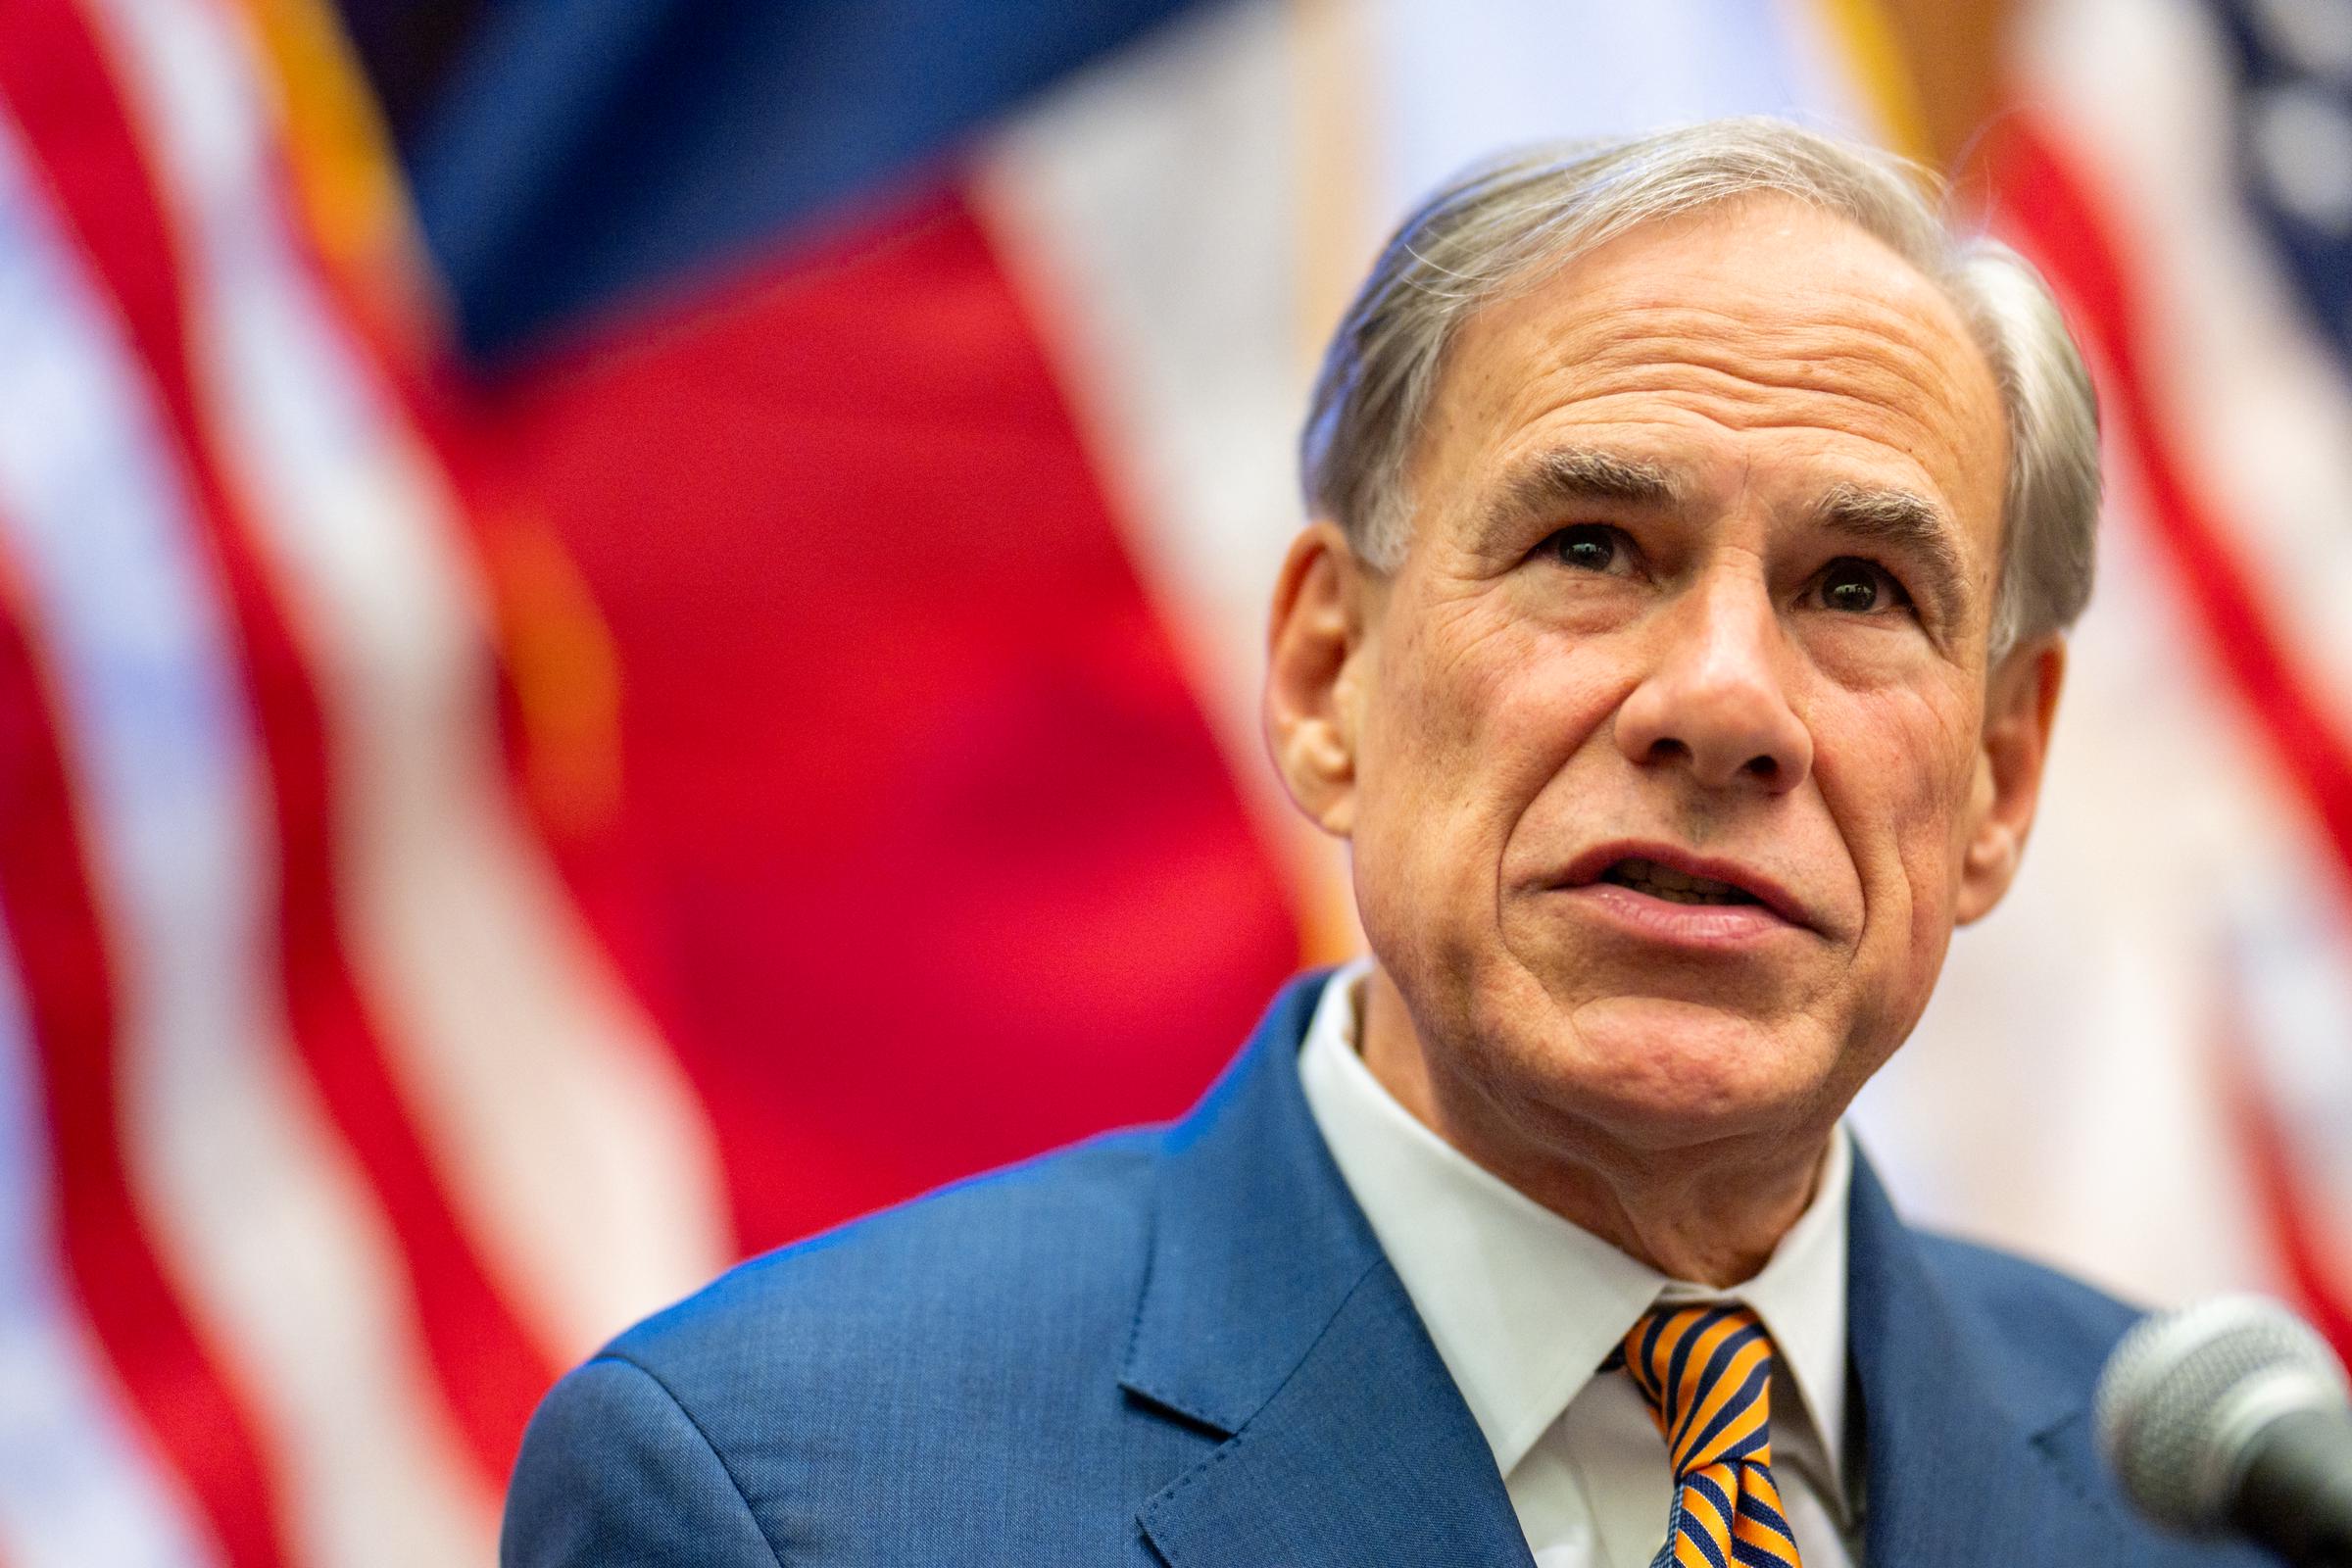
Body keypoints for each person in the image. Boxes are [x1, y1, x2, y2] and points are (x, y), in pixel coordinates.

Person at [501, 119, 2270, 1566]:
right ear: (1328, 670)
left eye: (1858, 589)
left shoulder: (2213, 1508)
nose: (1729, 704)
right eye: (1592, 546)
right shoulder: (781, 1495)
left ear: (2001, 779)